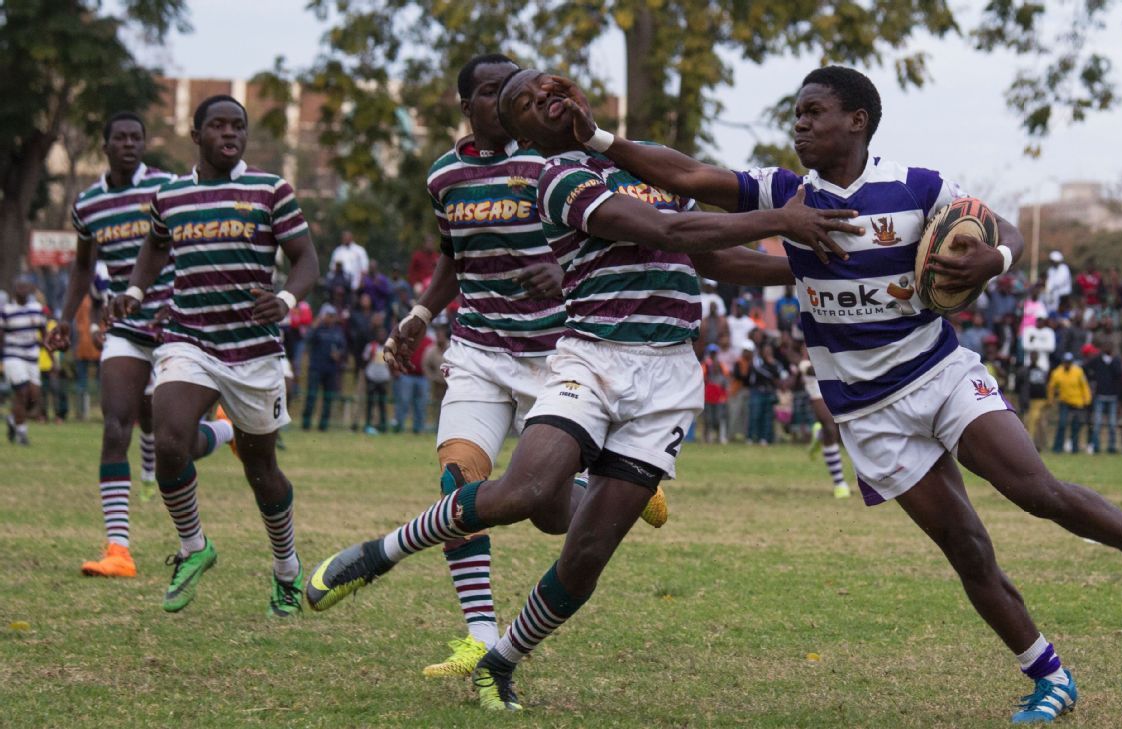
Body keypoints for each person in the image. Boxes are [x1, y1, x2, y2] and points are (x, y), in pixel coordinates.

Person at [549, 65, 1122, 722]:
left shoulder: (919, 185)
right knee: (965, 545)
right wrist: (598, 140)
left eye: (814, 112)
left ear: (858, 119)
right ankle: (1049, 676)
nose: (800, 123)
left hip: (939, 373)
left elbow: (1005, 230)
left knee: (1036, 489)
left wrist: (996, 258)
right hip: (867, 411)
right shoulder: (786, 193)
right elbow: (687, 173)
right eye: (797, 113)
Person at [305, 67, 861, 711]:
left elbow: (707, 258)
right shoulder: (557, 176)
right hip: (591, 359)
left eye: (548, 84)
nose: (544, 96)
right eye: (525, 102)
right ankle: (379, 553)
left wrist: (808, 275)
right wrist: (784, 220)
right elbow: (670, 233)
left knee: (585, 555)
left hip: (671, 378)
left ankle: (500, 661)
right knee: (528, 490)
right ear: (521, 131)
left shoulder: (638, 165)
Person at [111, 95, 319, 615]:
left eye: (238, 127)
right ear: (196, 134)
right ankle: (193, 546)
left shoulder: (271, 189)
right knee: (170, 437)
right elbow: (156, 247)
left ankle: (287, 568)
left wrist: (287, 298)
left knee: (261, 469)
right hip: (190, 338)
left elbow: (306, 260)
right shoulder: (170, 195)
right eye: (219, 126)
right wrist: (136, 292)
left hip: (253, 351)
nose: (230, 134)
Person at [47, 112, 237, 577]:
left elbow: (190, 246)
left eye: (137, 137)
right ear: (106, 145)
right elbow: (80, 267)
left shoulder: (166, 188)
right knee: (116, 426)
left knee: (178, 442)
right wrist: (65, 319)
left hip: (176, 326)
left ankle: (227, 430)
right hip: (126, 329)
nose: (130, 144)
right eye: (121, 138)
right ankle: (119, 551)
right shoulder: (88, 204)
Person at [2, 275, 45, 446]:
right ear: (14, 290)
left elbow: (44, 333)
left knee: (33, 398)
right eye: (19, 287)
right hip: (13, 356)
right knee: (22, 392)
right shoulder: (6, 310)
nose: (23, 290)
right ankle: (22, 434)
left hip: (32, 357)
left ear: (31, 289)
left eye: (26, 286)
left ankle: (13, 419)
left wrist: (52, 358)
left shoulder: (37, 308)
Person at [802, 346, 850, 498]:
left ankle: (819, 435)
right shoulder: (800, 324)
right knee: (830, 427)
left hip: (842, 371)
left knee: (847, 427)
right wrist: (802, 365)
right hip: (814, 375)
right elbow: (791, 350)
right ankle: (839, 483)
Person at [301, 304, 347, 431]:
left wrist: (339, 354)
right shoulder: (317, 329)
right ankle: (306, 424)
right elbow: (307, 340)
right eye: (329, 315)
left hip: (331, 369)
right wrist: (314, 326)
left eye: (333, 316)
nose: (331, 318)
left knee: (328, 398)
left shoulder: (337, 331)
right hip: (316, 368)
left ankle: (323, 426)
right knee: (312, 397)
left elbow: (343, 347)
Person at [1084, 340, 1122, 455]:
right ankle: (1096, 446)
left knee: (1112, 423)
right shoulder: (1097, 360)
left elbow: (1119, 374)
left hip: (1112, 396)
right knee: (1097, 423)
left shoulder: (1116, 361)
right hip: (1100, 395)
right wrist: (1092, 377)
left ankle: (1111, 447)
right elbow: (1085, 367)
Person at [1048, 352, 1091, 454]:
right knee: (1062, 424)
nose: (1067, 364)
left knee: (1076, 425)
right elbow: (1051, 387)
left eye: (1069, 362)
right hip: (1065, 402)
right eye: (1066, 362)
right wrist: (1051, 400)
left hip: (1077, 402)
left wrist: (1087, 399)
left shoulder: (1078, 371)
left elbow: (1084, 386)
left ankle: (1074, 448)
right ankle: (1057, 447)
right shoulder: (1057, 373)